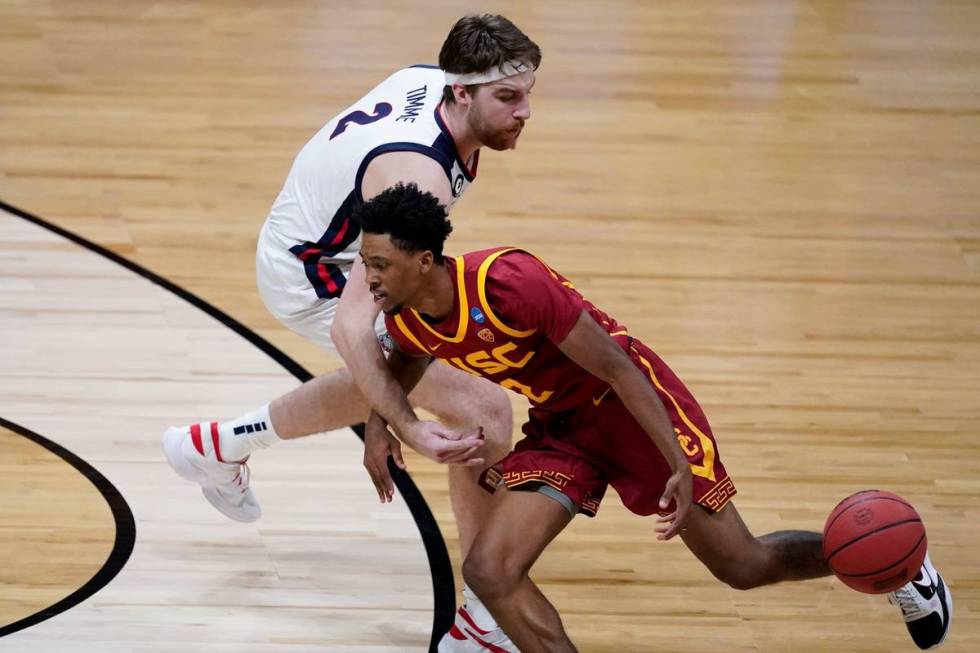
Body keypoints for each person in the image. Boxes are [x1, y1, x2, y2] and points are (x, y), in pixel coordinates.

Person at [354, 182, 954, 653]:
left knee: (742, 566)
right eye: (366, 263)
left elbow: (618, 368)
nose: (368, 277)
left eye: (379, 263)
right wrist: (381, 431)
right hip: (563, 427)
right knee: (489, 569)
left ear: (425, 260)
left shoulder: (509, 281)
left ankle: (896, 565)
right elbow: (400, 363)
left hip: (636, 411)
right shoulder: (406, 315)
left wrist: (677, 463)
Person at [163, 14, 541, 652]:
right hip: (314, 269)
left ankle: (216, 446)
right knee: (481, 406)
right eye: (509, 97)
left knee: (448, 381)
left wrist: (384, 412)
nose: (526, 111)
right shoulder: (415, 176)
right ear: (460, 94)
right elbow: (352, 326)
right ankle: (483, 610)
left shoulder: (434, 78)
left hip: (322, 235)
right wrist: (401, 424)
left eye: (529, 93)